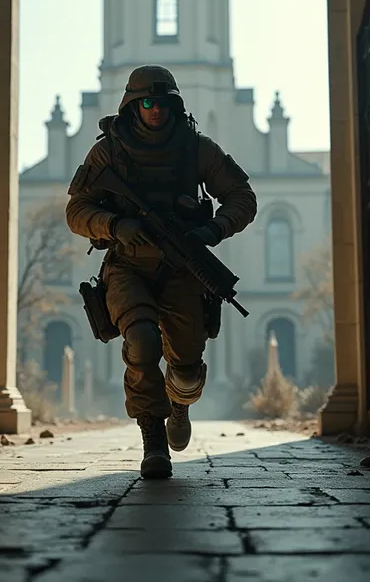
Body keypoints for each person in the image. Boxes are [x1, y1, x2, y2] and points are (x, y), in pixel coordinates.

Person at [66, 65, 257, 478]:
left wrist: (212, 229)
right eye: (148, 102)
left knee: (186, 367)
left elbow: (242, 197)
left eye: (164, 102)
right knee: (141, 342)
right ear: (133, 106)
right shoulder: (108, 152)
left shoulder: (195, 148)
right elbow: (77, 210)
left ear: (175, 105)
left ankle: (179, 405)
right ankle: (153, 439)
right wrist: (114, 226)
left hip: (183, 269)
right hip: (127, 266)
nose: (156, 110)